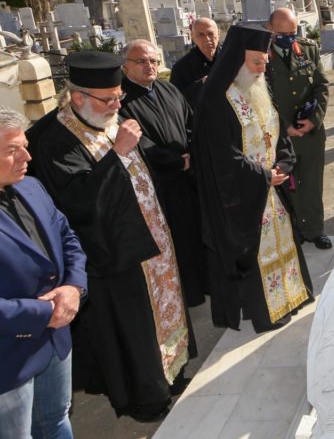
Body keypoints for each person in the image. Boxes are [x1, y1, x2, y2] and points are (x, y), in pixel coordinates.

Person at [27, 51, 193, 421]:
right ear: (78, 97)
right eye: (110, 98)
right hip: (115, 256)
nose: (118, 104)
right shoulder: (55, 139)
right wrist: (116, 155)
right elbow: (78, 202)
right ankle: (147, 398)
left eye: (119, 96)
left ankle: (171, 374)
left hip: (152, 243)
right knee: (132, 330)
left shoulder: (108, 116)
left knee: (162, 316)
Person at [192, 25, 314, 332]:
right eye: (256, 62)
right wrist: (262, 176)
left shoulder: (258, 88)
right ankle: (267, 311)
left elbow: (277, 131)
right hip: (243, 196)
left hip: (271, 190)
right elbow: (221, 155)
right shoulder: (216, 100)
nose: (263, 68)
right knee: (256, 253)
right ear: (236, 61)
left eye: (264, 62)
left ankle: (290, 297)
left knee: (283, 245)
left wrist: (285, 163)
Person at [0, 107, 87, 439]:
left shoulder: (32, 186)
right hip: (8, 357)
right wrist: (45, 311)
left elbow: (68, 237)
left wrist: (74, 288)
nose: (27, 155)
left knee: (55, 420)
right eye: (12, 150)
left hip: (53, 339)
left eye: (24, 144)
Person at [119, 39, 206, 306]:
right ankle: (186, 295)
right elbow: (138, 142)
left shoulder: (169, 90)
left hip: (189, 178)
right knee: (175, 240)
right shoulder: (121, 100)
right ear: (125, 66)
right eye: (141, 61)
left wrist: (193, 152)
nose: (150, 66)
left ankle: (205, 285)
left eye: (154, 61)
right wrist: (175, 161)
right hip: (160, 185)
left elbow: (191, 123)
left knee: (197, 234)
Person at [265, 9, 331, 250]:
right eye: (282, 34)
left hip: (311, 133)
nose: (288, 38)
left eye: (292, 33)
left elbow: (321, 86)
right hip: (280, 136)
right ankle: (294, 230)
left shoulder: (308, 49)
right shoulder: (261, 55)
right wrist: (285, 128)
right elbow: (262, 98)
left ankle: (315, 229)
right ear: (269, 29)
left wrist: (314, 119)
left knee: (312, 183)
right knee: (287, 184)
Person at [170, 17, 220, 106]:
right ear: (193, 37)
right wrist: (202, 84)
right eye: (201, 35)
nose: (207, 39)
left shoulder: (232, 59)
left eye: (210, 33)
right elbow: (176, 100)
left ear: (218, 34)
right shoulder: (181, 68)